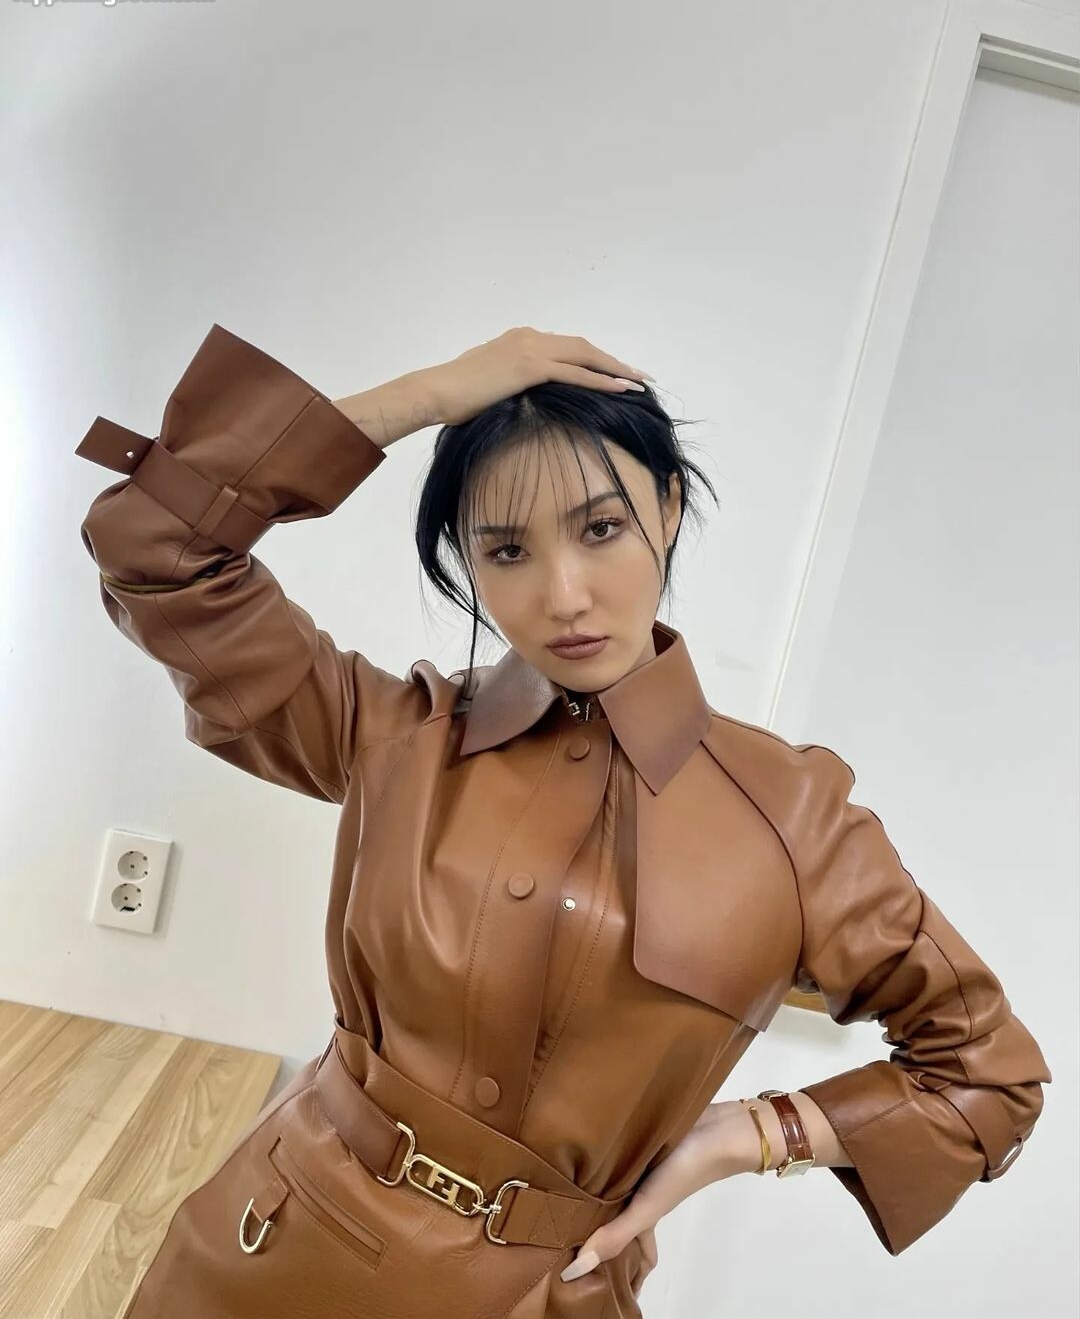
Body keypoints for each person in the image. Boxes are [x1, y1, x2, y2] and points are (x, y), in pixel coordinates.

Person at [75, 323, 1052, 1318]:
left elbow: (989, 1078)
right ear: (469, 561)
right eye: (507, 549)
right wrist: (430, 394)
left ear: (668, 509)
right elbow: (155, 540)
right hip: (267, 1251)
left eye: (601, 529)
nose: (565, 596)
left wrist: (745, 1137)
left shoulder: (795, 816)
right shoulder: (395, 736)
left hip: (546, 1295)